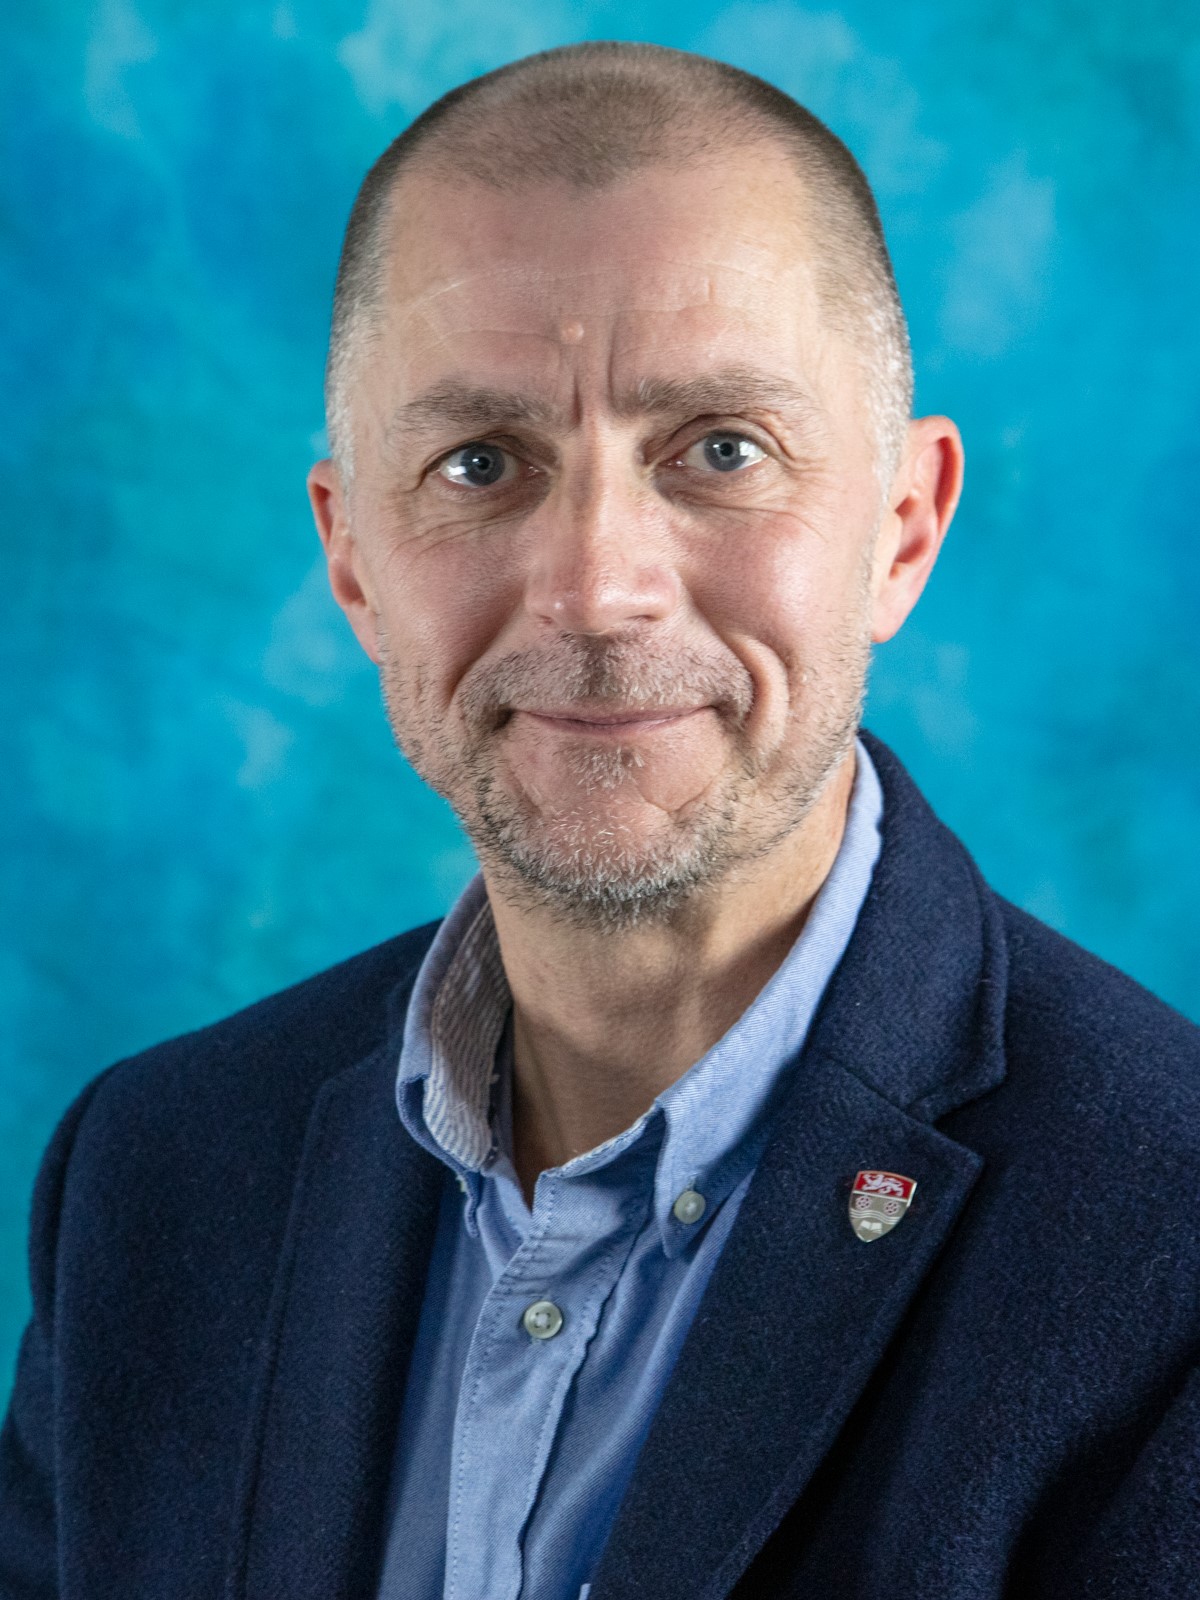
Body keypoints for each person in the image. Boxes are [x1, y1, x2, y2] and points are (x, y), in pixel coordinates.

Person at [2, 41, 1197, 1600]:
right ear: (353, 559)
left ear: (903, 530)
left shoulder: (1167, 1242)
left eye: (721, 451)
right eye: (480, 463)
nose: (594, 586)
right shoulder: (155, 1177)